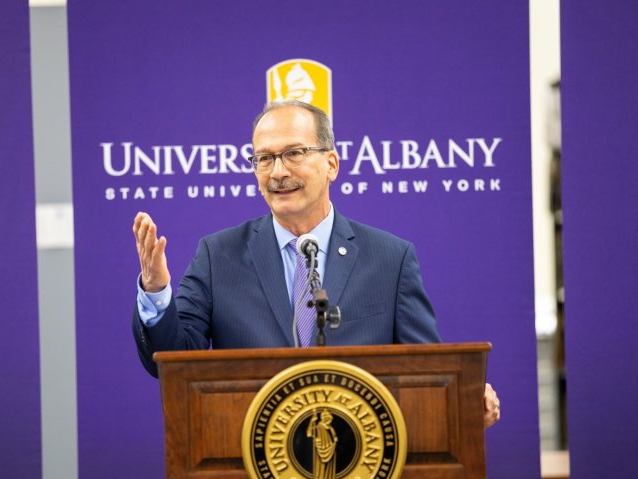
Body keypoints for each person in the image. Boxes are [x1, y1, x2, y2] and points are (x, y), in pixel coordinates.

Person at [132, 100, 500, 428]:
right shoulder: (218, 255)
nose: (277, 172)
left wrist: (462, 405)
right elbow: (172, 364)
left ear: (332, 164)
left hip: (361, 470)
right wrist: (155, 291)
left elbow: (426, 375)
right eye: (264, 158)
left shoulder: (390, 258)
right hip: (248, 471)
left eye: (293, 153)